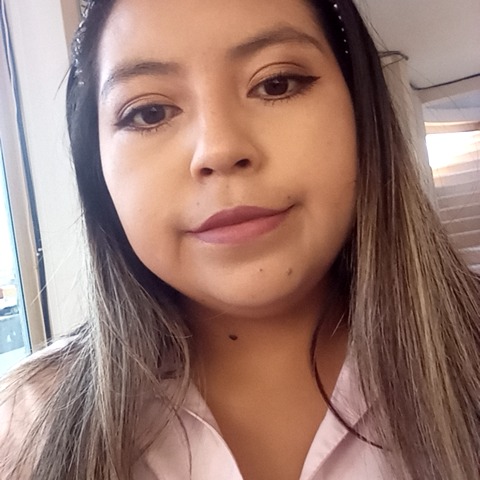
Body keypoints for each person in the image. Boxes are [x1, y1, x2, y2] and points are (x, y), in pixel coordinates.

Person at [1, 0, 479, 478]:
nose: (219, 149)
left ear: (361, 110)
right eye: (148, 112)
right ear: (97, 169)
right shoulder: (23, 427)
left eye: (276, 83)